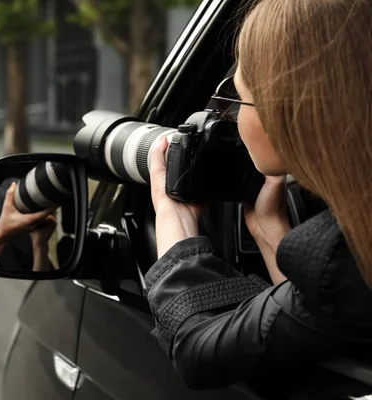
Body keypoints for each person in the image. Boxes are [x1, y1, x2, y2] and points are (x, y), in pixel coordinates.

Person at [146, 0, 372, 393]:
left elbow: (200, 352)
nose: (233, 118)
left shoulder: (343, 259)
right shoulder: (346, 263)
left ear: (291, 111)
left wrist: (175, 225)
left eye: (237, 98)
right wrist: (268, 226)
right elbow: (320, 319)